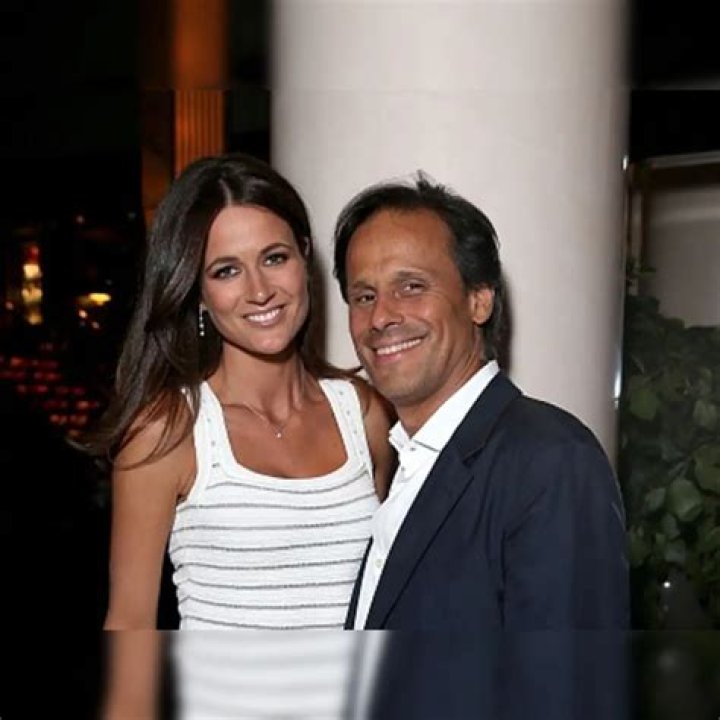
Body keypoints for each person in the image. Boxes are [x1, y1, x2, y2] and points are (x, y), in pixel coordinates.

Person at [83, 153, 394, 715]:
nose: (259, 290)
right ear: (197, 292)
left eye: (274, 258)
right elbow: (130, 624)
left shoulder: (363, 413)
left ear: (304, 256)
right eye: (226, 270)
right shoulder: (169, 430)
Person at [332, 174, 630, 719]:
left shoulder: (549, 459)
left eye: (411, 286)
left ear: (479, 300)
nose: (381, 317)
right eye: (363, 296)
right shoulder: (406, 464)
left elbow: (569, 697)